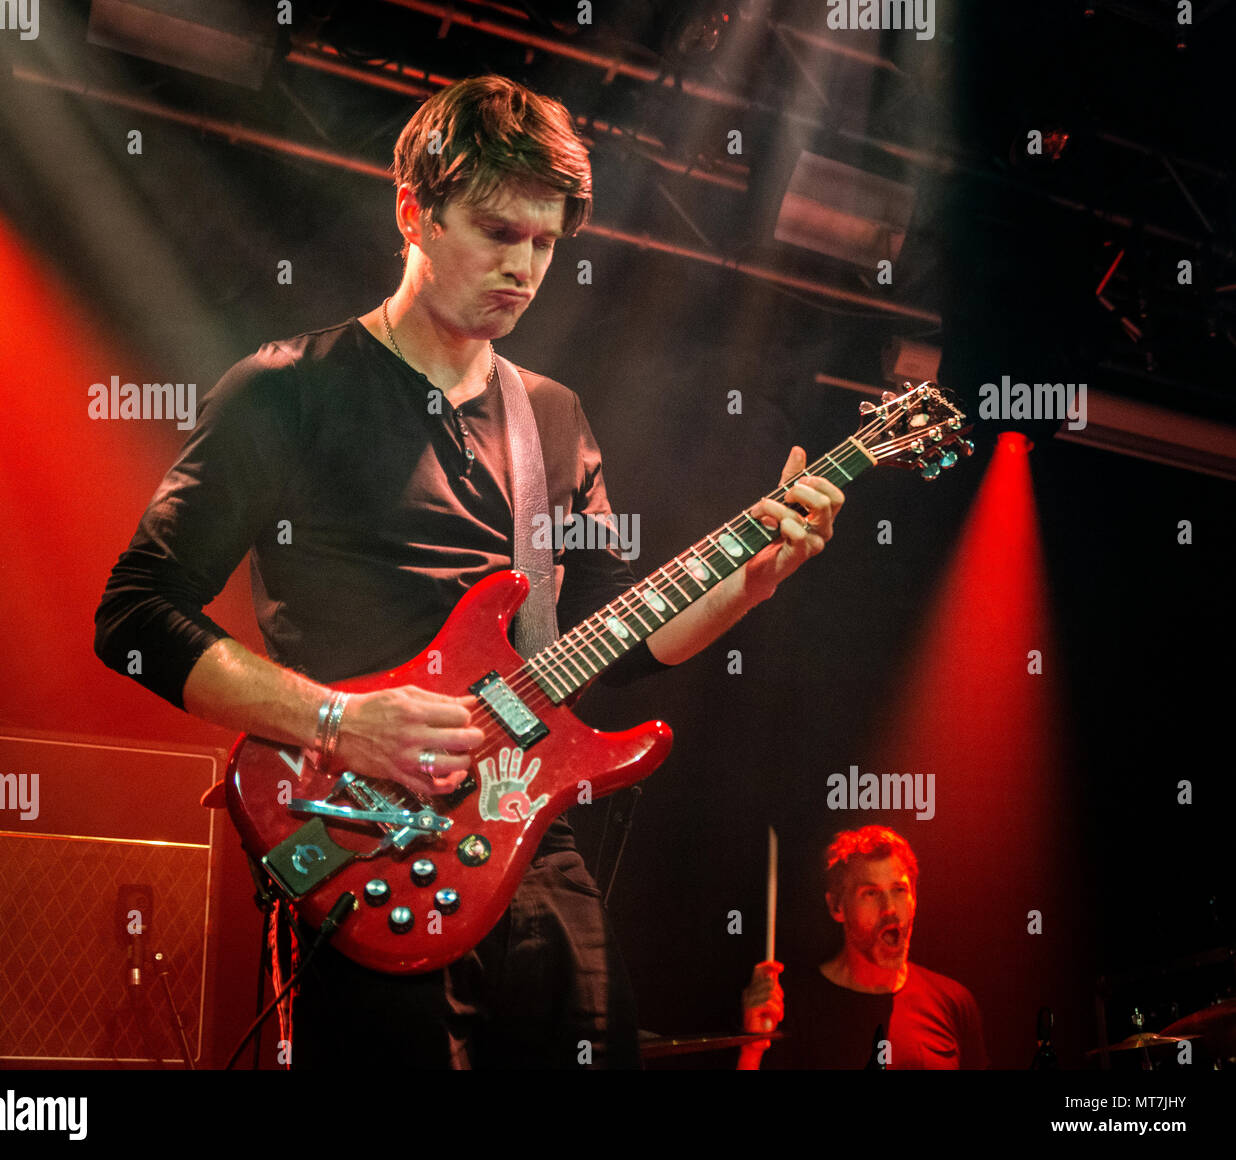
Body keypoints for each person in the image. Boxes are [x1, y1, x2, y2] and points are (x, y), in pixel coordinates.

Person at [95, 74, 844, 1069]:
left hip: (530, 834)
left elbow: (608, 644)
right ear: (413, 210)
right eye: (498, 233)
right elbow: (134, 613)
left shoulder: (557, 417)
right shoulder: (287, 391)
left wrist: (749, 581)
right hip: (360, 837)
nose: (525, 269)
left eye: (544, 243)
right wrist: (337, 719)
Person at [739, 825, 987, 1069]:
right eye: (870, 893)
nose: (889, 907)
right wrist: (753, 1047)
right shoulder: (795, 1007)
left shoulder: (953, 1003)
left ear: (914, 899)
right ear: (837, 906)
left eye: (899, 890)